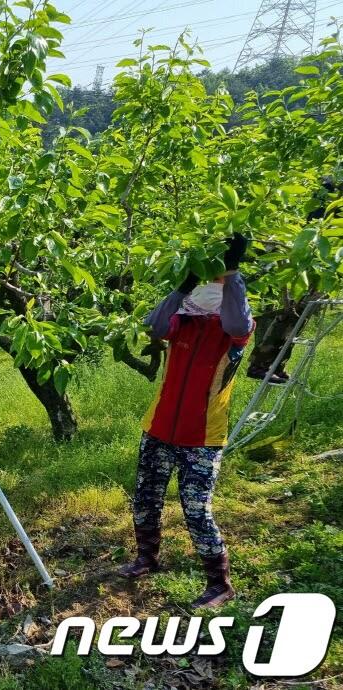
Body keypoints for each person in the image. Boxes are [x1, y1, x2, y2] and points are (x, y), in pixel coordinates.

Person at [118, 234, 253, 609]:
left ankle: (219, 582)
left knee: (196, 509)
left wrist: (232, 272)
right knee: (146, 496)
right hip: (159, 428)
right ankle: (147, 558)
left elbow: (237, 319)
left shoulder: (234, 336)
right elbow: (156, 326)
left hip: (203, 437)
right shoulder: (183, 324)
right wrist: (183, 285)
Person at [246, 177, 337, 384]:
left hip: (320, 259)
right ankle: (260, 365)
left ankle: (275, 365)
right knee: (291, 315)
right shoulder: (328, 194)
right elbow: (313, 224)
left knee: (297, 319)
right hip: (312, 258)